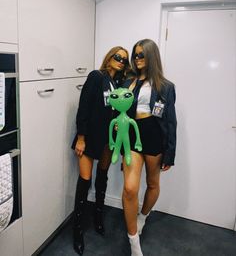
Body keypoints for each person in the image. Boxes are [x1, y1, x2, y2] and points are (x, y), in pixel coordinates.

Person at [71, 46, 131, 255]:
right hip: (89, 138)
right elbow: (84, 106)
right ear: (109, 57)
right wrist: (80, 138)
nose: (121, 61)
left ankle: (97, 217)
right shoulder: (96, 76)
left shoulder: (119, 83)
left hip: (107, 140)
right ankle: (77, 230)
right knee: (85, 181)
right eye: (118, 57)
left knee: (102, 177)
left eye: (124, 59)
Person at [122, 39, 177, 256]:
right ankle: (134, 242)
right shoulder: (129, 82)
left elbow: (171, 121)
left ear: (151, 56)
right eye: (135, 55)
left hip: (154, 137)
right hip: (133, 134)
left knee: (152, 184)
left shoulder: (166, 86)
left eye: (141, 55)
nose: (137, 59)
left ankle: (143, 216)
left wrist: (170, 153)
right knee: (129, 189)